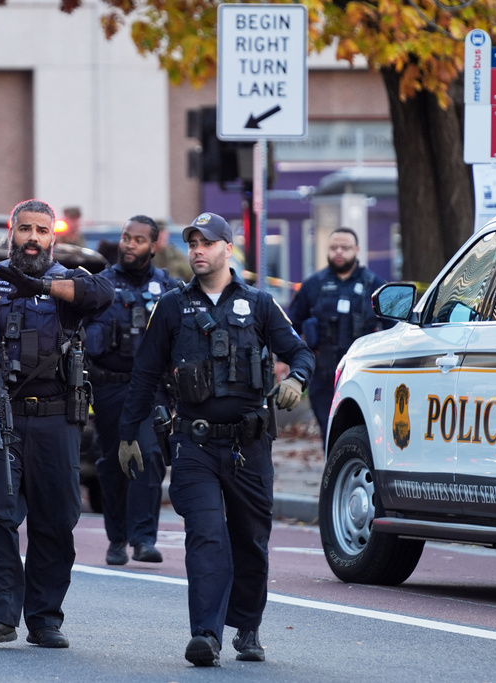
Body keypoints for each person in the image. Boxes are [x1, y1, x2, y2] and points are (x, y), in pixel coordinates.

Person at [118, 212, 314, 667]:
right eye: (192, 243)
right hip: (194, 445)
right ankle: (205, 633)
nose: (198, 251)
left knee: (250, 538)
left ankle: (247, 626)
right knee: (205, 536)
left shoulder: (260, 304)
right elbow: (144, 375)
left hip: (249, 445)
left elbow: (300, 351)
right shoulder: (170, 306)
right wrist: (129, 434)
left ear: (229, 248)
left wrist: (297, 380)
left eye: (207, 242)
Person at [0, 199, 114, 650]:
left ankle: (44, 619)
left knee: (56, 520)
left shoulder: (70, 281)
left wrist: (44, 285)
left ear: (53, 237)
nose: (32, 238)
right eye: (24, 230)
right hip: (1, 416)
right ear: (11, 232)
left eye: (41, 230)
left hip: (57, 420)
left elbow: (103, 296)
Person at [84, 215, 180, 566]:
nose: (129, 244)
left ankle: (143, 539)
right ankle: (117, 538)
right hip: (109, 387)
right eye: (126, 237)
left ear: (153, 246)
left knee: (150, 456)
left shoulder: (169, 288)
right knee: (113, 463)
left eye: (138, 240)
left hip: (151, 389)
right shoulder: (100, 286)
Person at [288, 227, 388, 447]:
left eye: (345, 247)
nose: (339, 252)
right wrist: (283, 360)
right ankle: (333, 477)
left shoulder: (374, 285)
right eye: (334, 247)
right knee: (330, 433)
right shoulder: (313, 285)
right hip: (323, 376)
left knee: (361, 433)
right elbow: (290, 326)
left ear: (357, 250)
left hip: (363, 375)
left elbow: (393, 327)